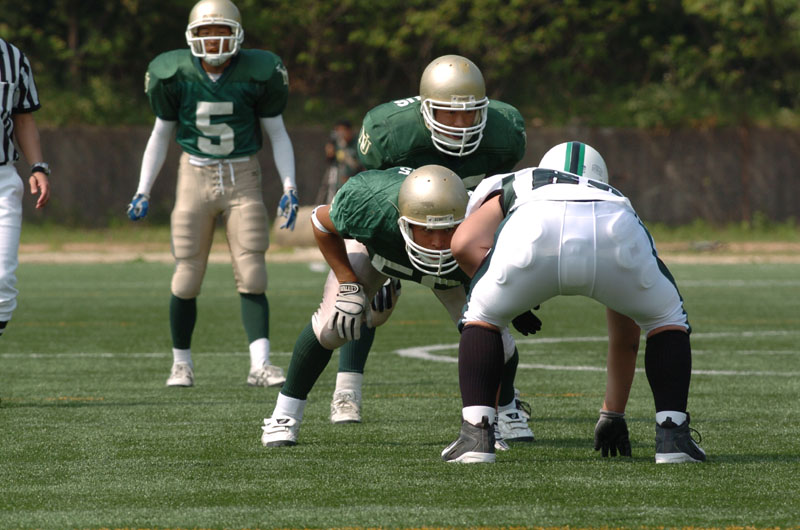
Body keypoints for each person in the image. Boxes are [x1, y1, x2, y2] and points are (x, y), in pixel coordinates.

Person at [441, 141, 706, 464]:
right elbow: (626, 339)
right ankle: (673, 438)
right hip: (613, 226)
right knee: (667, 320)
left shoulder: (520, 180)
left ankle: (476, 435)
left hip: (533, 225)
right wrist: (613, 414)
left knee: (482, 316)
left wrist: (507, 303)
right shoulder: (614, 196)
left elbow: (463, 244)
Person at [328, 54, 533, 444]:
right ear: (425, 109)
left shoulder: (503, 132)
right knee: (362, 304)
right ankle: (346, 390)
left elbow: (498, 197)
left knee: (489, 317)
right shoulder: (392, 131)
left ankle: (505, 404)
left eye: (469, 113)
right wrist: (382, 256)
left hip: (456, 240)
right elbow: (370, 190)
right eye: (447, 112)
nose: (459, 124)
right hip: (396, 227)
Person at [260, 165, 526, 447]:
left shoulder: (482, 222)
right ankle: (283, 416)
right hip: (380, 251)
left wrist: (517, 302)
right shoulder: (371, 203)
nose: (437, 243)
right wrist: (348, 281)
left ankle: (503, 412)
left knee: (494, 337)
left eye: (448, 229)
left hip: (454, 267)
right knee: (333, 322)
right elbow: (320, 221)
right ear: (404, 221)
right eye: (427, 230)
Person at [126, 0, 298, 388]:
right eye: (205, 32)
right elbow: (160, 135)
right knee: (186, 275)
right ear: (192, 36)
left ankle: (260, 364)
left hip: (243, 176)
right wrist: (142, 189)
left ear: (237, 35)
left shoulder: (259, 71)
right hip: (194, 175)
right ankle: (181, 364)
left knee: (253, 271)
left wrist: (289, 185)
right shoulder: (174, 72)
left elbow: (277, 133)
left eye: (221, 32)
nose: (214, 41)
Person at [0, 38, 51, 337]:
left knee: (2, 283)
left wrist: (38, 166)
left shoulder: (13, 57)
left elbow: (23, 118)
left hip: (2, 179)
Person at [318, 119, 362, 204]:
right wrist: (329, 152)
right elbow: (331, 161)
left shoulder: (358, 142)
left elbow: (361, 164)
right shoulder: (337, 143)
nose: (341, 134)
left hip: (356, 179)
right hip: (339, 180)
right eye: (338, 131)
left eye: (343, 131)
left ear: (349, 131)